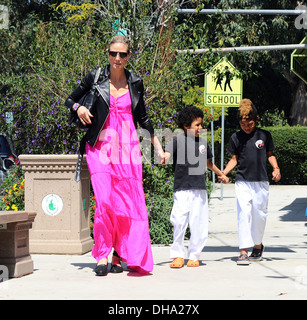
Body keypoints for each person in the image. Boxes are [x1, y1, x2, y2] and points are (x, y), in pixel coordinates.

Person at [65, 35, 165, 276]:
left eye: (122, 54)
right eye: (113, 53)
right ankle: (102, 254)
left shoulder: (135, 82)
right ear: (107, 54)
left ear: (128, 56)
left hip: (127, 148)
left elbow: (143, 118)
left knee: (126, 203)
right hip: (99, 147)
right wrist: (78, 108)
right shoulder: (95, 77)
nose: (117, 58)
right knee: (105, 201)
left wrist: (159, 147)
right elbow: (70, 99)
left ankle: (120, 255)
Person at [164, 106, 229, 268]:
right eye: (197, 125)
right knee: (179, 220)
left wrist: (221, 174)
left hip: (199, 188)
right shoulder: (177, 140)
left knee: (198, 222)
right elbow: (167, 155)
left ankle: (194, 255)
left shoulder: (203, 143)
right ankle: (177, 255)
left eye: (201, 125)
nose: (201, 128)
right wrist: (163, 156)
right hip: (181, 187)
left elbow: (208, 163)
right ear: (186, 126)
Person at [223, 99, 281, 265]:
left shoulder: (264, 135)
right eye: (243, 124)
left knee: (259, 214)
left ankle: (258, 245)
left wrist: (276, 168)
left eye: (249, 124)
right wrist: (224, 173)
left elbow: (270, 154)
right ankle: (243, 250)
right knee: (244, 213)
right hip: (243, 181)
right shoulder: (236, 137)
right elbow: (234, 160)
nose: (246, 127)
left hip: (261, 181)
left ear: (256, 120)